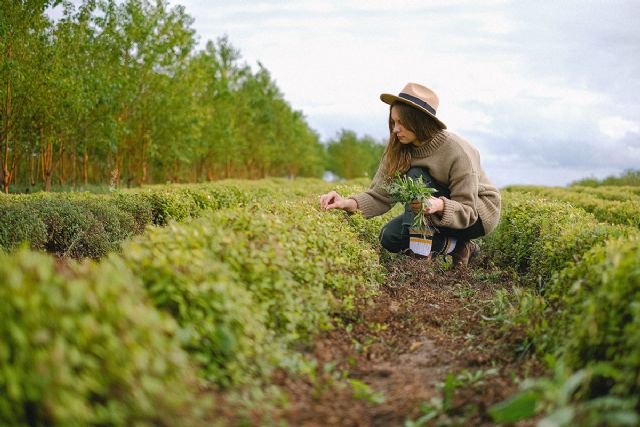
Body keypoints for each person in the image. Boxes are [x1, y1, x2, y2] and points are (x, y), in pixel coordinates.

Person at [319, 83, 501, 268]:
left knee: (415, 175)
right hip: (435, 212)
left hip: (476, 215)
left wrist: (438, 205)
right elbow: (380, 195)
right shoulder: (397, 149)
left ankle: (419, 259)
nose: (395, 129)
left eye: (401, 123)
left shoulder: (457, 151)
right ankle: (459, 247)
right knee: (389, 237)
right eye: (393, 122)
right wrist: (345, 203)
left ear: (419, 121)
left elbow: (468, 211)